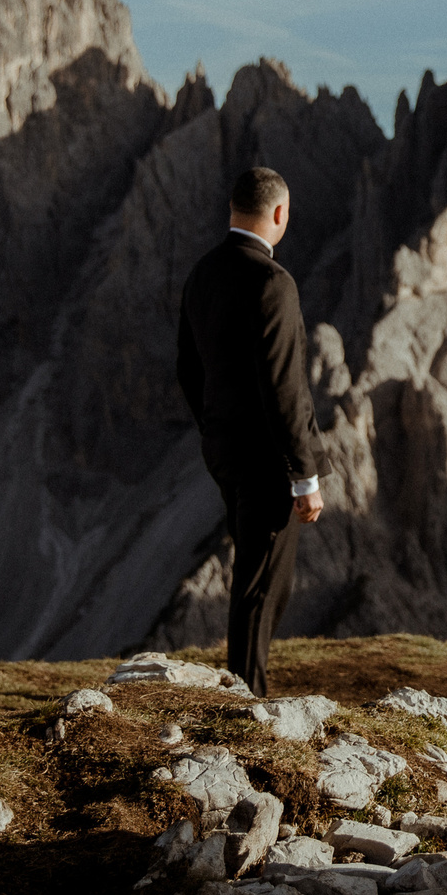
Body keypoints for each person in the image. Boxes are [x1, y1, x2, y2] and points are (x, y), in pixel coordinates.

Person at [174, 165, 325, 699]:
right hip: (267, 461)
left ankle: (243, 687)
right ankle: (246, 698)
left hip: (224, 450)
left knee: (254, 574)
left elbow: (188, 368)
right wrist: (304, 475)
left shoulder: (203, 273)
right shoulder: (273, 284)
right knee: (263, 585)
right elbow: (286, 389)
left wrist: (214, 427)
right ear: (280, 213)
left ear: (232, 209)